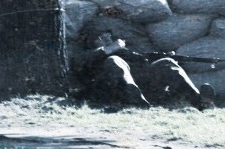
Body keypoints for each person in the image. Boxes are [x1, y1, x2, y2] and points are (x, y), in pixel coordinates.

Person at [70, 31, 215, 110]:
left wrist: (159, 58)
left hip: (141, 88)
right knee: (114, 60)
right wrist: (110, 49)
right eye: (101, 38)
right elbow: (79, 64)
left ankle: (199, 101)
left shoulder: (127, 53)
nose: (108, 39)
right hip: (111, 90)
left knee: (167, 63)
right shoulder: (88, 54)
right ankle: (132, 95)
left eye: (109, 36)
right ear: (92, 43)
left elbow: (145, 65)